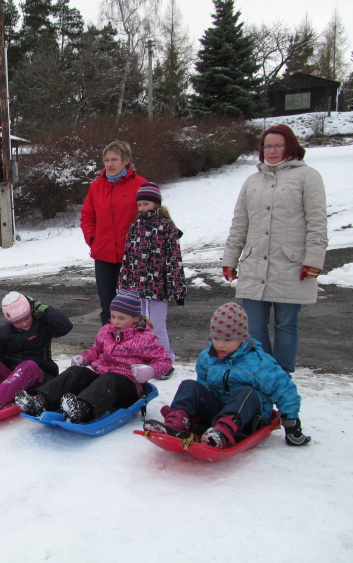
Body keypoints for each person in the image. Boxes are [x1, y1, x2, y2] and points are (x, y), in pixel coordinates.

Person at [222, 124, 327, 375]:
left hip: (291, 265)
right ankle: (264, 372)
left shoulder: (308, 176)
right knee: (253, 326)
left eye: (278, 145)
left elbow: (317, 222)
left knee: (286, 324)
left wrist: (313, 260)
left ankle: (283, 374)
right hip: (254, 264)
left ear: (290, 146)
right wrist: (230, 259)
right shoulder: (252, 181)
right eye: (267, 146)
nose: (271, 151)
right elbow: (240, 223)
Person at [144, 302, 310, 449]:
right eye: (216, 338)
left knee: (245, 392)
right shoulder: (207, 358)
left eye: (228, 339)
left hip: (249, 418)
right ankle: (176, 424)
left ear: (242, 338)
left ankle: (223, 431)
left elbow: (285, 390)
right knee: (189, 385)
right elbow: (202, 388)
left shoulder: (258, 362)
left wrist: (292, 425)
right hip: (218, 412)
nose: (220, 344)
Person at [16, 290, 171, 423]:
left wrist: (149, 371)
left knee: (110, 378)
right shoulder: (106, 331)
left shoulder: (145, 338)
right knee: (77, 372)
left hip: (126, 386)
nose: (115, 322)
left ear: (136, 318)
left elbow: (164, 361)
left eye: (121, 318)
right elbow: (96, 350)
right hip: (101, 380)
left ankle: (81, 408)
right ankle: (40, 400)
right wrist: (84, 358)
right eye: (113, 316)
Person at [81, 140, 149, 325]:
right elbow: (87, 217)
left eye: (114, 160)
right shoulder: (96, 186)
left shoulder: (141, 185)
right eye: (106, 160)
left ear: (126, 161)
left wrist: (140, 246)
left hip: (131, 256)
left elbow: (150, 218)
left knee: (131, 305)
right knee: (107, 305)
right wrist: (93, 239)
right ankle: (108, 339)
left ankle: (134, 339)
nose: (109, 164)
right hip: (103, 254)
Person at [118, 183, 187, 363]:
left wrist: (177, 288)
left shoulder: (166, 226)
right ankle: (141, 358)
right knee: (137, 326)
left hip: (158, 288)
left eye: (146, 204)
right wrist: (123, 285)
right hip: (136, 288)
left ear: (156, 203)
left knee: (156, 326)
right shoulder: (135, 227)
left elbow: (174, 259)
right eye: (139, 205)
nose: (142, 208)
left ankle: (165, 359)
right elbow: (127, 258)